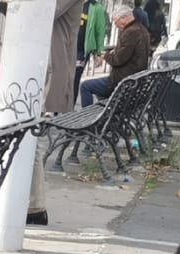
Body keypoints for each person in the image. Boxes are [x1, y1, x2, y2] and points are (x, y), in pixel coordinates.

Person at [27, 0, 84, 225]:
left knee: (33, 138)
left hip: (49, 70)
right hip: (36, 70)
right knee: (30, 138)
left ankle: (35, 205)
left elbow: (42, 11)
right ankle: (33, 205)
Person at [79, 4, 148, 107]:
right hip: (133, 80)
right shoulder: (142, 29)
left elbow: (118, 59)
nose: (116, 25)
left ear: (124, 18)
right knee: (99, 91)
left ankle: (86, 118)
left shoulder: (130, 32)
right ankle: (105, 114)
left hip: (122, 82)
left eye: (116, 22)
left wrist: (104, 55)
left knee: (85, 86)